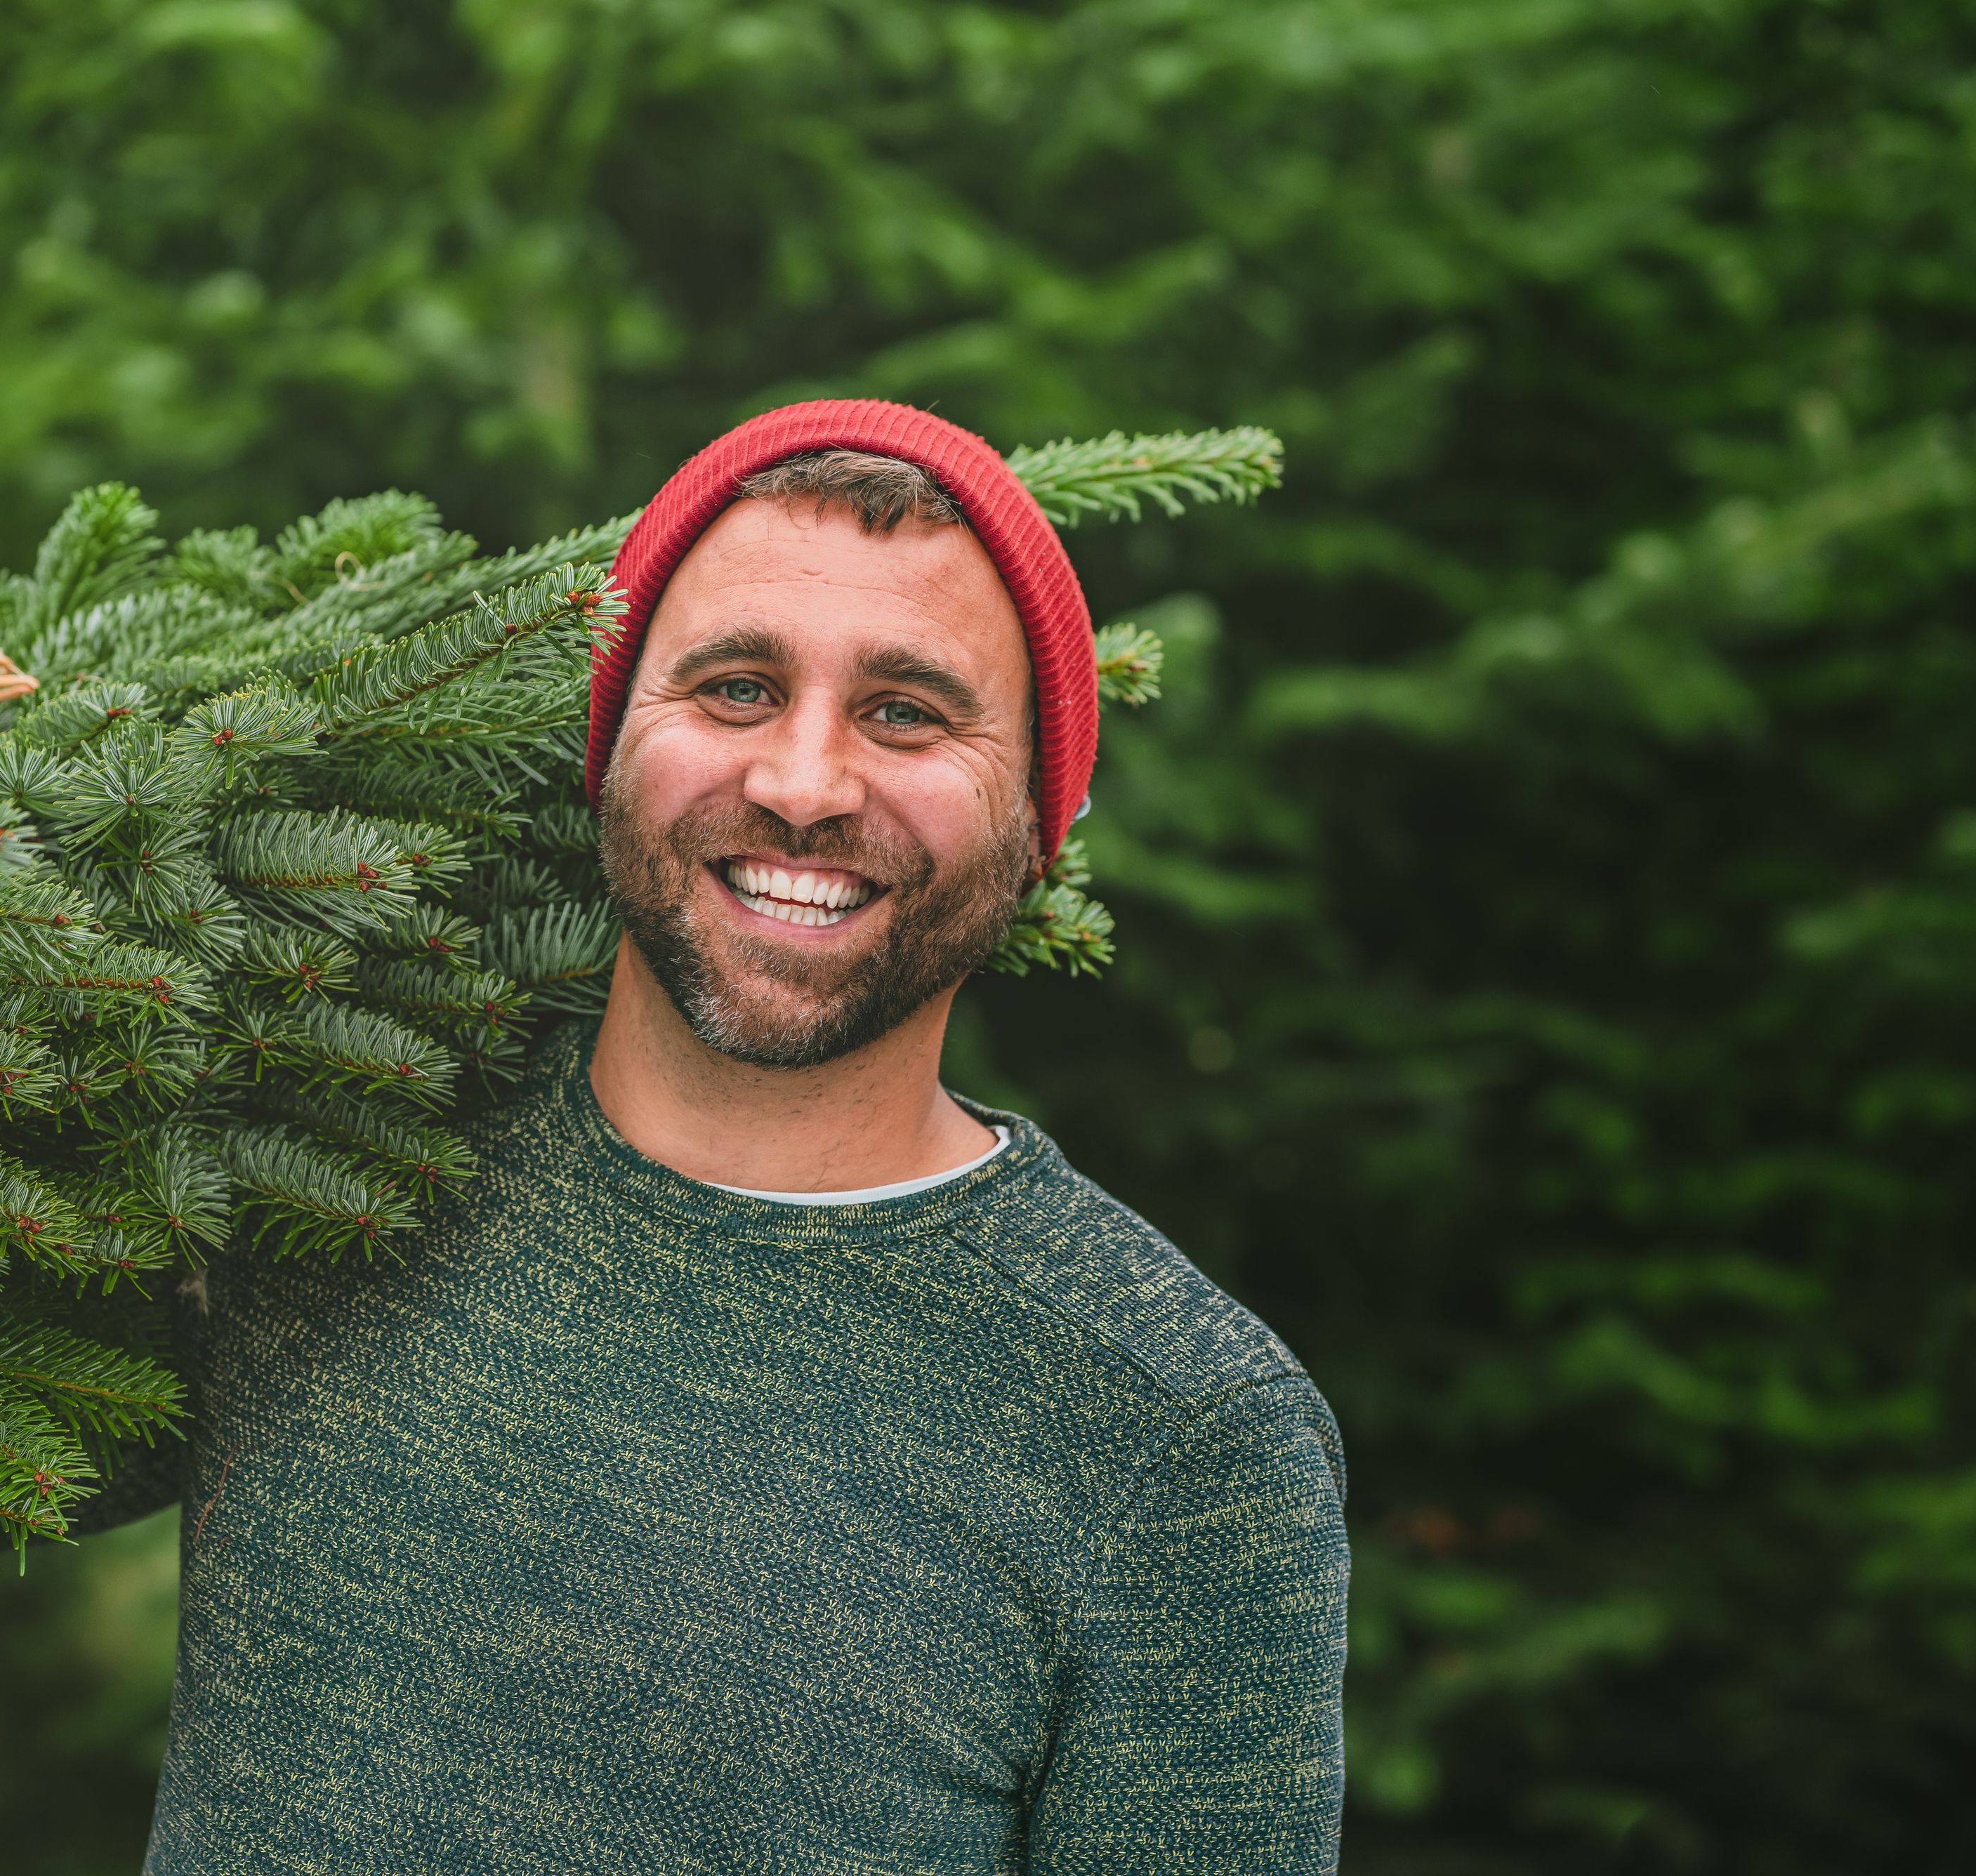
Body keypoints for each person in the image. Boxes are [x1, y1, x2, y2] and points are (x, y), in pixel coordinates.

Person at [138, 401, 1349, 1872]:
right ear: (606, 744)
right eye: (730, 689)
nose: (797, 784)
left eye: (907, 713)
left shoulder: (1177, 1428)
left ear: (1039, 819)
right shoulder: (325, 1154)